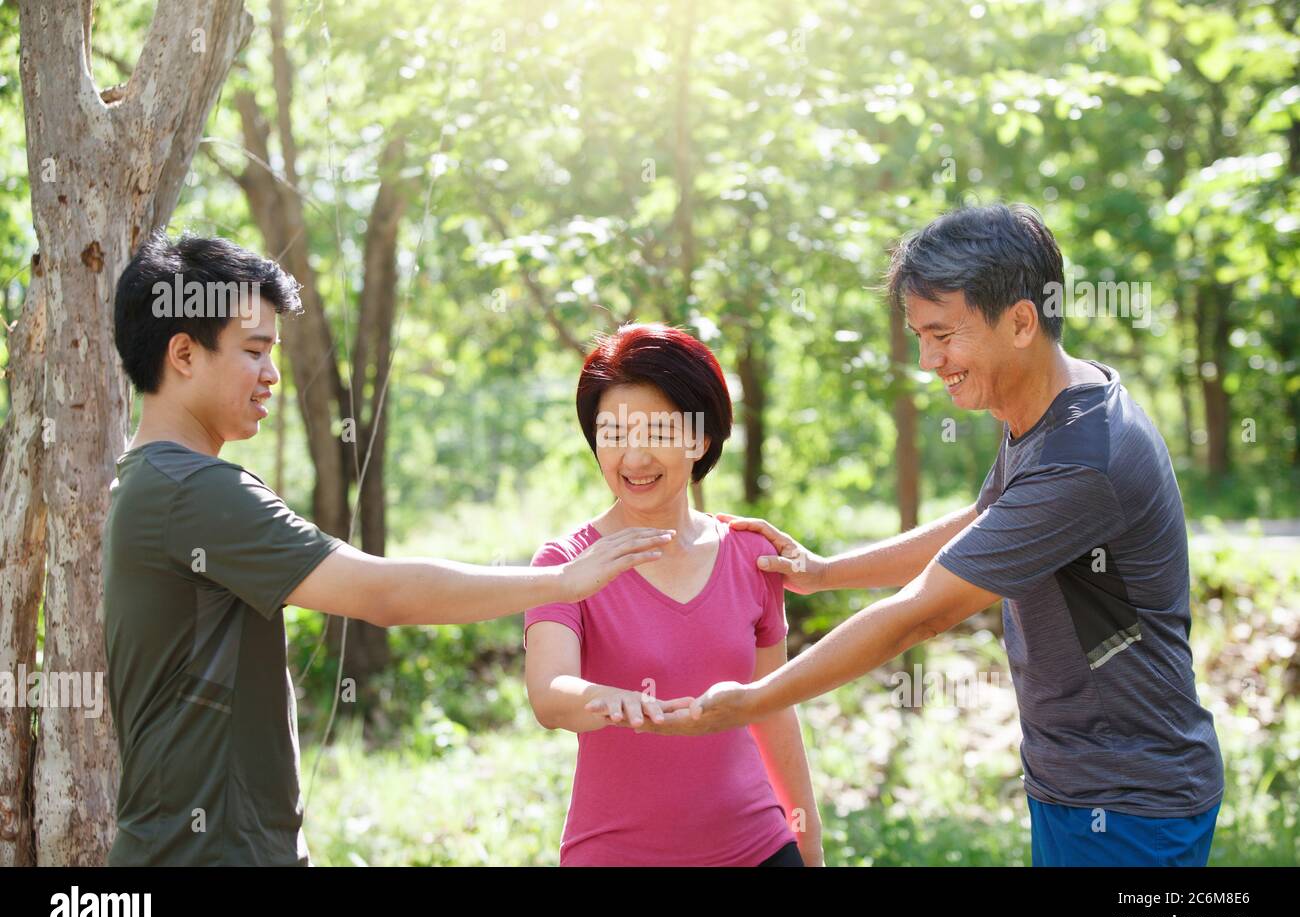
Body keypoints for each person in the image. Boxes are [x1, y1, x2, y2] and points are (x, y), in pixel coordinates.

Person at [634, 204, 1225, 867]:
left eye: (943, 335)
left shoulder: (1083, 458)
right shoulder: (1051, 404)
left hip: (1130, 805)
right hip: (1082, 784)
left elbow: (922, 614)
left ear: (1022, 321)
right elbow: (985, 524)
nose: (927, 360)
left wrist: (750, 701)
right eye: (919, 335)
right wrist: (825, 571)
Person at [104, 233, 671, 865]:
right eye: (254, 350)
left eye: (274, 353)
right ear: (183, 353)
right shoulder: (195, 491)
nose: (271, 375)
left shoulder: (151, 482)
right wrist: (563, 580)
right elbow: (383, 593)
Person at [523, 324, 821, 866]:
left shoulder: (751, 555)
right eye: (613, 434)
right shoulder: (566, 563)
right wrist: (603, 699)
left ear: (699, 439)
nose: (633, 460)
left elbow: (774, 710)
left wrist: (809, 843)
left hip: (760, 849)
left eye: (657, 433)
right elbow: (549, 692)